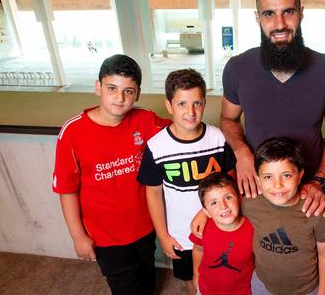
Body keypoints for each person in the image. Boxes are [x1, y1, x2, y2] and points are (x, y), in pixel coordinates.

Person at [221, 0, 325, 215]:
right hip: (255, 192)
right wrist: (242, 154)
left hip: (308, 196)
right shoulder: (237, 68)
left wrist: (319, 182)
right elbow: (228, 119)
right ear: (257, 18)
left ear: (301, 13)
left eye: (288, 11)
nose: (279, 24)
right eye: (269, 14)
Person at [52, 54, 170, 295]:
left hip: (145, 228)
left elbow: (180, 130)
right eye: (112, 88)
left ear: (137, 93)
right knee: (126, 289)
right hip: (105, 237)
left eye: (128, 91)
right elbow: (66, 190)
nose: (120, 98)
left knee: (147, 280)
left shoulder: (146, 120)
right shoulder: (73, 133)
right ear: (98, 87)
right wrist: (77, 236)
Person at [137, 68, 236, 295]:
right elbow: (153, 193)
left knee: (225, 275)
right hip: (181, 234)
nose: (190, 112)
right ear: (169, 106)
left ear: (204, 103)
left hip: (220, 227)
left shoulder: (218, 138)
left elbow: (231, 181)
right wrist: (163, 235)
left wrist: (208, 212)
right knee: (193, 279)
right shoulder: (157, 146)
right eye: (182, 104)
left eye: (197, 103)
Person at [245, 137, 325, 295]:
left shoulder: (315, 208)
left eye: (286, 175)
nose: (277, 184)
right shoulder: (250, 203)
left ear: (300, 176)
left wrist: (324, 292)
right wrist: (204, 213)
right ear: (258, 180)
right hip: (263, 286)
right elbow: (225, 204)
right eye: (268, 177)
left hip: (307, 290)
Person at [189, 174, 254, 295]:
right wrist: (196, 274)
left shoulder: (253, 228)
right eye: (214, 203)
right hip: (206, 289)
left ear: (239, 198)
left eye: (228, 197)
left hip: (242, 291)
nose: (223, 206)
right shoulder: (203, 228)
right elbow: (198, 250)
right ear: (206, 211)